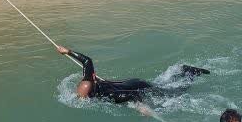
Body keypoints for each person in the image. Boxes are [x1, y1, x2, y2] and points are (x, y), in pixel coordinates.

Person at [55, 45, 208, 106]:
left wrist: (141, 107)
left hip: (136, 87)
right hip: (129, 82)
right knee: (161, 85)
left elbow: (131, 96)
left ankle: (190, 73)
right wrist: (67, 51)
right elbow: (87, 61)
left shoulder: (108, 96)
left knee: (172, 94)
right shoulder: (88, 79)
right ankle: (181, 72)